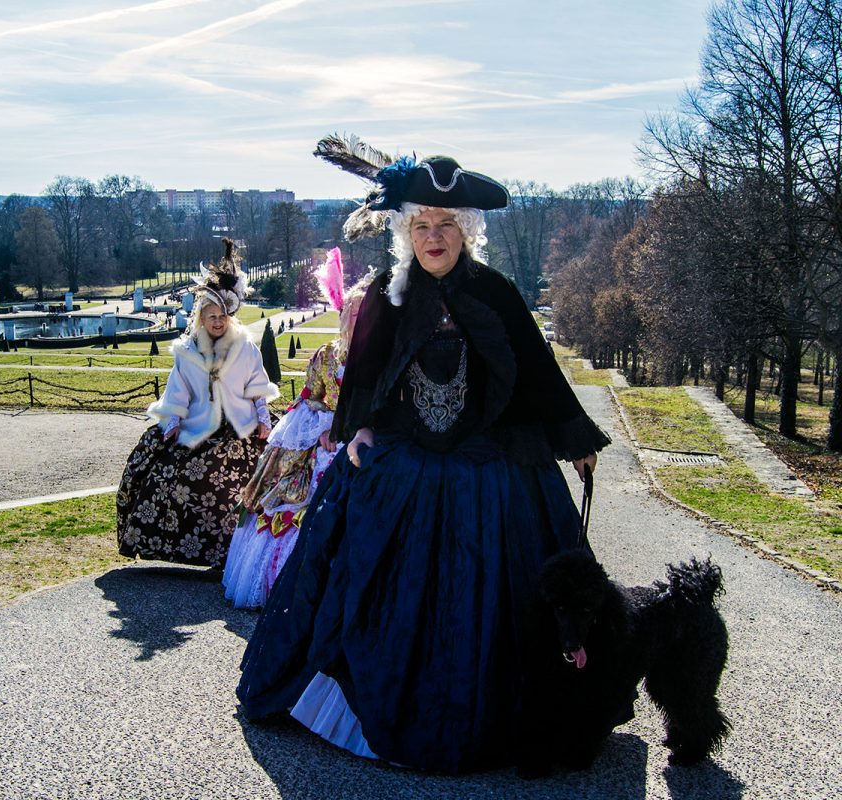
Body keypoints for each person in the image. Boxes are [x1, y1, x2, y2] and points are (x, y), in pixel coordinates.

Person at [236, 135, 611, 773]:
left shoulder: (496, 293)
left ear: (466, 230)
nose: (432, 237)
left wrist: (575, 442)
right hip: (402, 464)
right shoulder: (389, 292)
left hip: (492, 468)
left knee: (498, 589)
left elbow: (538, 373)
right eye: (420, 225)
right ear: (405, 231)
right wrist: (356, 430)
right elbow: (364, 373)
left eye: (445, 225)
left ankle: (499, 712)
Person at [117, 239, 280, 569]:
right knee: (169, 471)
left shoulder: (246, 348)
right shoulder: (188, 351)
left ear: (230, 316)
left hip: (241, 426)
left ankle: (238, 552)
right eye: (211, 316)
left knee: (231, 479)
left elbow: (257, 388)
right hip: (198, 425)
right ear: (201, 317)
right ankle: (193, 550)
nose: (217, 322)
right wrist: (173, 421)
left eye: (222, 316)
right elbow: (177, 391)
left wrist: (263, 418)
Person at [221, 248, 371, 609]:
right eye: (352, 314)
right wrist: (324, 427)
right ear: (342, 316)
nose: (357, 321)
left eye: (366, 316)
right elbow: (311, 397)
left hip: (363, 442)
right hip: (323, 441)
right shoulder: (327, 356)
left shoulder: (383, 360)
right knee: (290, 498)